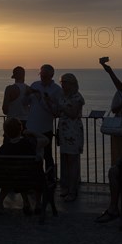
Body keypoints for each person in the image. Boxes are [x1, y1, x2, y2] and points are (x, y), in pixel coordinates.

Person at [0, 117, 49, 215]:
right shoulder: (29, 143)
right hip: (32, 178)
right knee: (37, 168)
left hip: (14, 178)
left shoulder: (4, 148)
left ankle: (26, 202)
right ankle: (38, 203)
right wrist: (32, 132)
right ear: (20, 129)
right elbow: (46, 140)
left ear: (6, 132)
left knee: (19, 173)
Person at [24, 64, 62, 179]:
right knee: (31, 155)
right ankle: (34, 178)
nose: (42, 78)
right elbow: (25, 103)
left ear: (51, 75)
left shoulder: (57, 90)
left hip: (45, 128)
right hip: (31, 127)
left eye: (45, 76)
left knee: (47, 155)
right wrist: (27, 95)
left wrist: (41, 99)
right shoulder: (35, 85)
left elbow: (56, 111)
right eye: (41, 75)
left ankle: (49, 180)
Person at [57, 73, 85, 202]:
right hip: (64, 131)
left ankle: (73, 190)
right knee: (65, 160)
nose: (63, 85)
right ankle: (67, 188)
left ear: (71, 83)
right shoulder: (64, 96)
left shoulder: (77, 97)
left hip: (73, 131)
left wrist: (61, 107)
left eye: (65, 82)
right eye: (62, 82)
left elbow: (73, 114)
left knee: (72, 161)